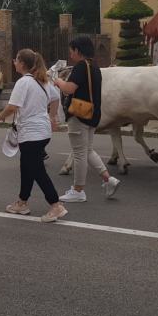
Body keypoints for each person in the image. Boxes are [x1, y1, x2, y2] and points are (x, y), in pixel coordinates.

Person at [0, 49, 67, 223]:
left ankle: (56, 205)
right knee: (26, 167)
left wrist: (0, 117)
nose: (14, 62)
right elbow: (56, 97)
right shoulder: (42, 81)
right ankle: (22, 202)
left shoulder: (23, 82)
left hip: (31, 133)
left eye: (16, 60)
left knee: (36, 169)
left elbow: (12, 106)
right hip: (41, 131)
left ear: (22, 63)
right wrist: (52, 116)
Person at [54, 36, 120, 202]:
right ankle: (108, 179)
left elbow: (69, 89)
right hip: (92, 114)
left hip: (79, 114)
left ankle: (78, 190)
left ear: (78, 50)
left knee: (79, 154)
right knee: (87, 150)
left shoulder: (81, 67)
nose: (70, 55)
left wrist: (58, 81)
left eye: (71, 51)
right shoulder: (94, 67)